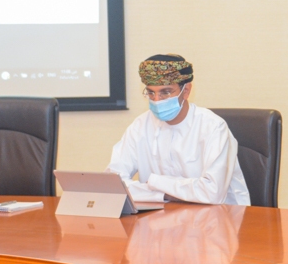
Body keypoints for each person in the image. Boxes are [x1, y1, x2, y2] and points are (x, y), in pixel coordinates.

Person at [106, 54, 250, 206]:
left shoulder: (213, 127)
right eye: (150, 93)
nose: (156, 100)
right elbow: (113, 183)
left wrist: (155, 182)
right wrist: (166, 194)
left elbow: (212, 193)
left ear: (186, 91)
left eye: (165, 93)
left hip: (220, 219)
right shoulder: (140, 125)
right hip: (161, 218)